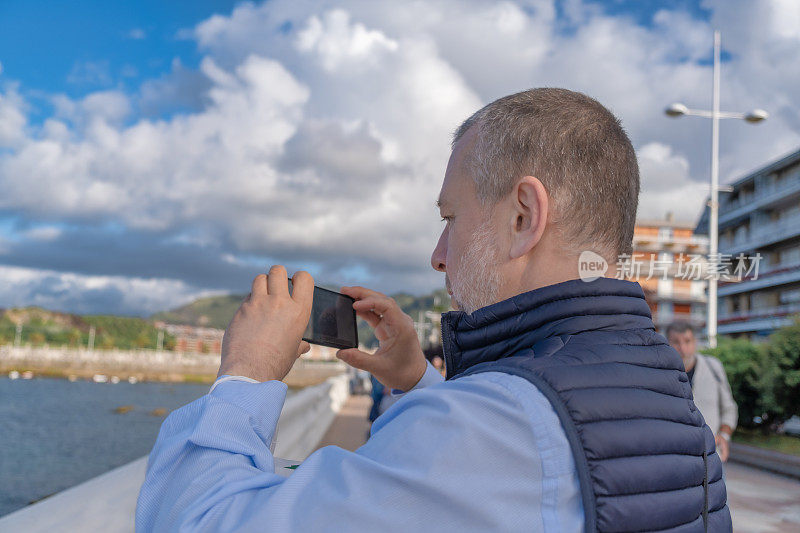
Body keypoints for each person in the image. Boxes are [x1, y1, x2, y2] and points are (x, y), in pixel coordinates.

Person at [136, 89, 731, 532]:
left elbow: (195, 519)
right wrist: (418, 380)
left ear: (523, 216)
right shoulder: (661, 389)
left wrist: (247, 374)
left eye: (451, 218)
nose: (438, 255)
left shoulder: (501, 423)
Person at [666, 321, 738, 462]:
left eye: (687, 341)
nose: (682, 348)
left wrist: (724, 436)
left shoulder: (713, 367)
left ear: (695, 342)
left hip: (710, 458)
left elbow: (729, 408)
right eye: (676, 342)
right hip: (673, 459)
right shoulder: (660, 374)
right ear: (667, 344)